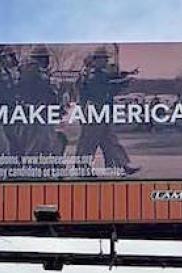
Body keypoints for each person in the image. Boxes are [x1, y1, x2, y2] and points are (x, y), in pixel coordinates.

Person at [75, 46, 140, 177]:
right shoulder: (91, 75)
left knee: (110, 141)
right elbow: (103, 88)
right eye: (102, 59)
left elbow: (111, 82)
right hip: (93, 111)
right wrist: (123, 82)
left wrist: (125, 77)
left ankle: (120, 166)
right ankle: (83, 168)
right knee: (89, 142)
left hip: (101, 111)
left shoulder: (98, 73)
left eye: (105, 59)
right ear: (95, 60)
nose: (105, 62)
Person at [17, 45, 66, 156]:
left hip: (34, 112)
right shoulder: (35, 72)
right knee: (36, 145)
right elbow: (46, 93)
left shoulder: (26, 71)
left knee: (39, 144)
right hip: (38, 112)